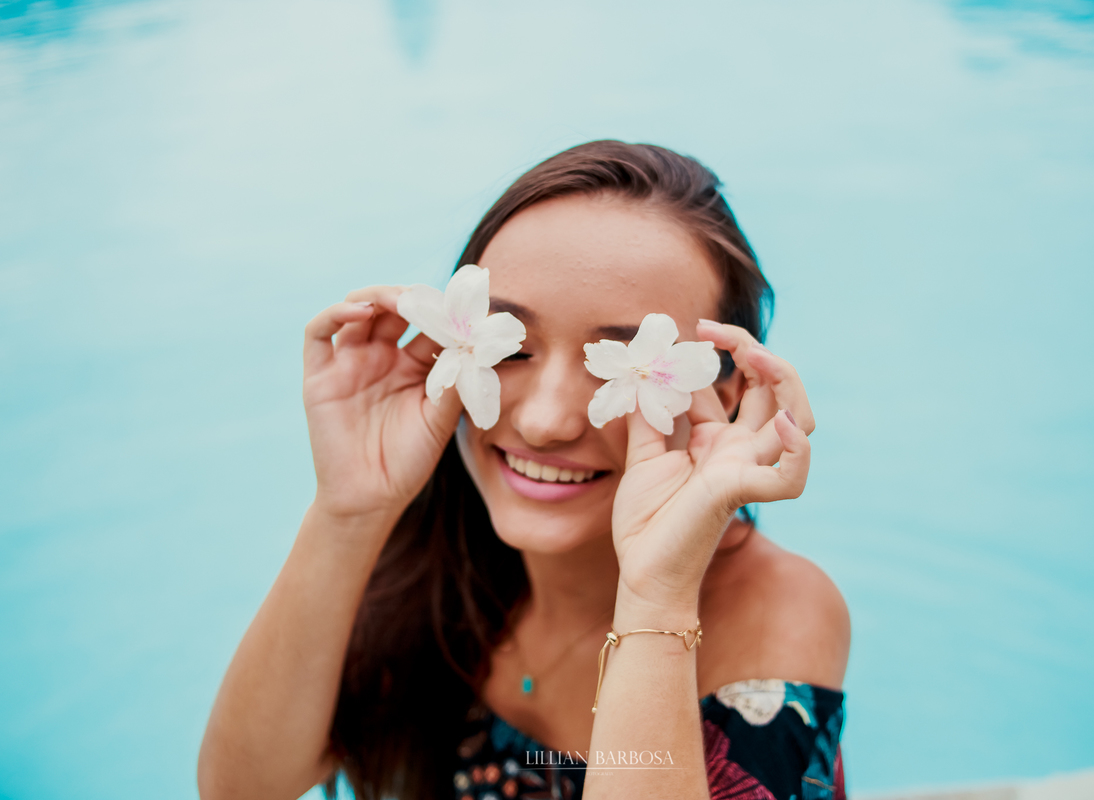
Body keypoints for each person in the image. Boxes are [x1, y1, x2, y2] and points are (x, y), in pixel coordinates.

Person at [198, 140, 851, 800]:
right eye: (510, 347)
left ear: (730, 391)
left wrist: (658, 593)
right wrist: (349, 510)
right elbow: (243, 790)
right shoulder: (435, 556)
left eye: (619, 365)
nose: (546, 422)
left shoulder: (780, 610)